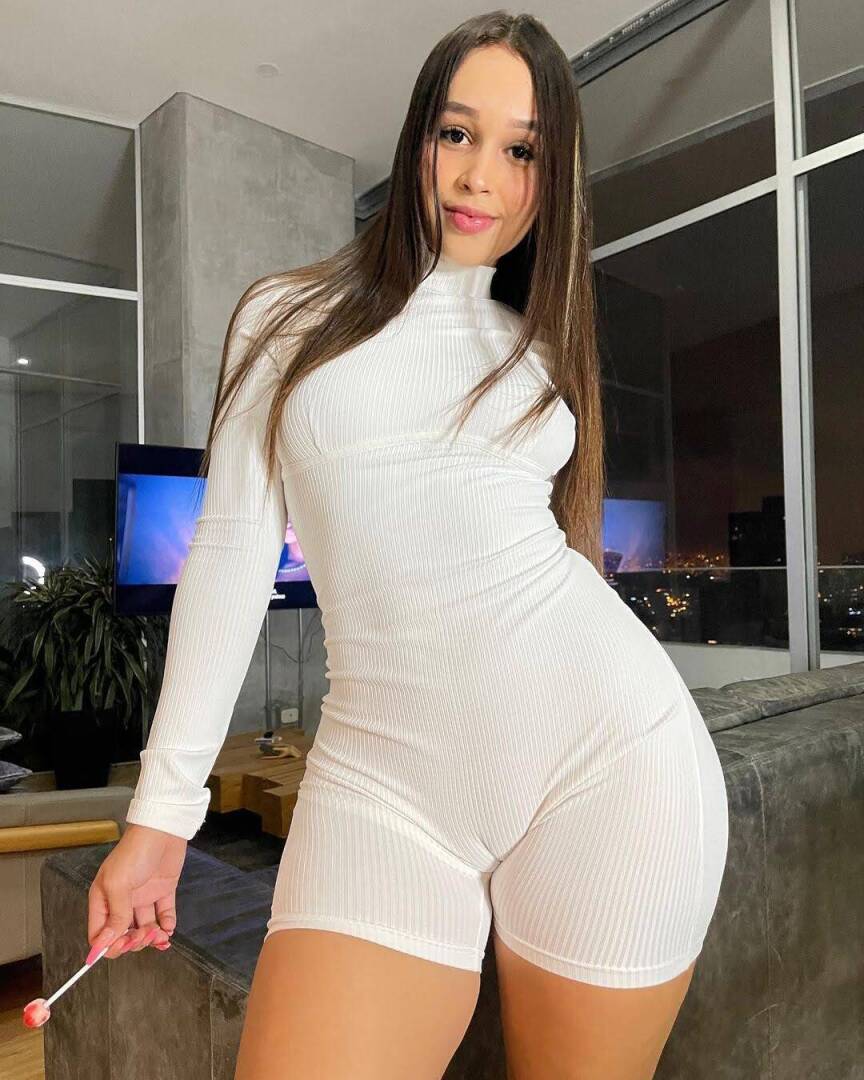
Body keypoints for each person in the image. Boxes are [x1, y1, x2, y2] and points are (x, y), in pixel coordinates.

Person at [87, 12, 729, 1079]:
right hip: (381, 792)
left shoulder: (540, 348)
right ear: (417, 137)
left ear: (553, 179)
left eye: (523, 151)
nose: (482, 177)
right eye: (457, 134)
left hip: (612, 768)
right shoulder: (286, 317)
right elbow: (233, 554)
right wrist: (162, 814)